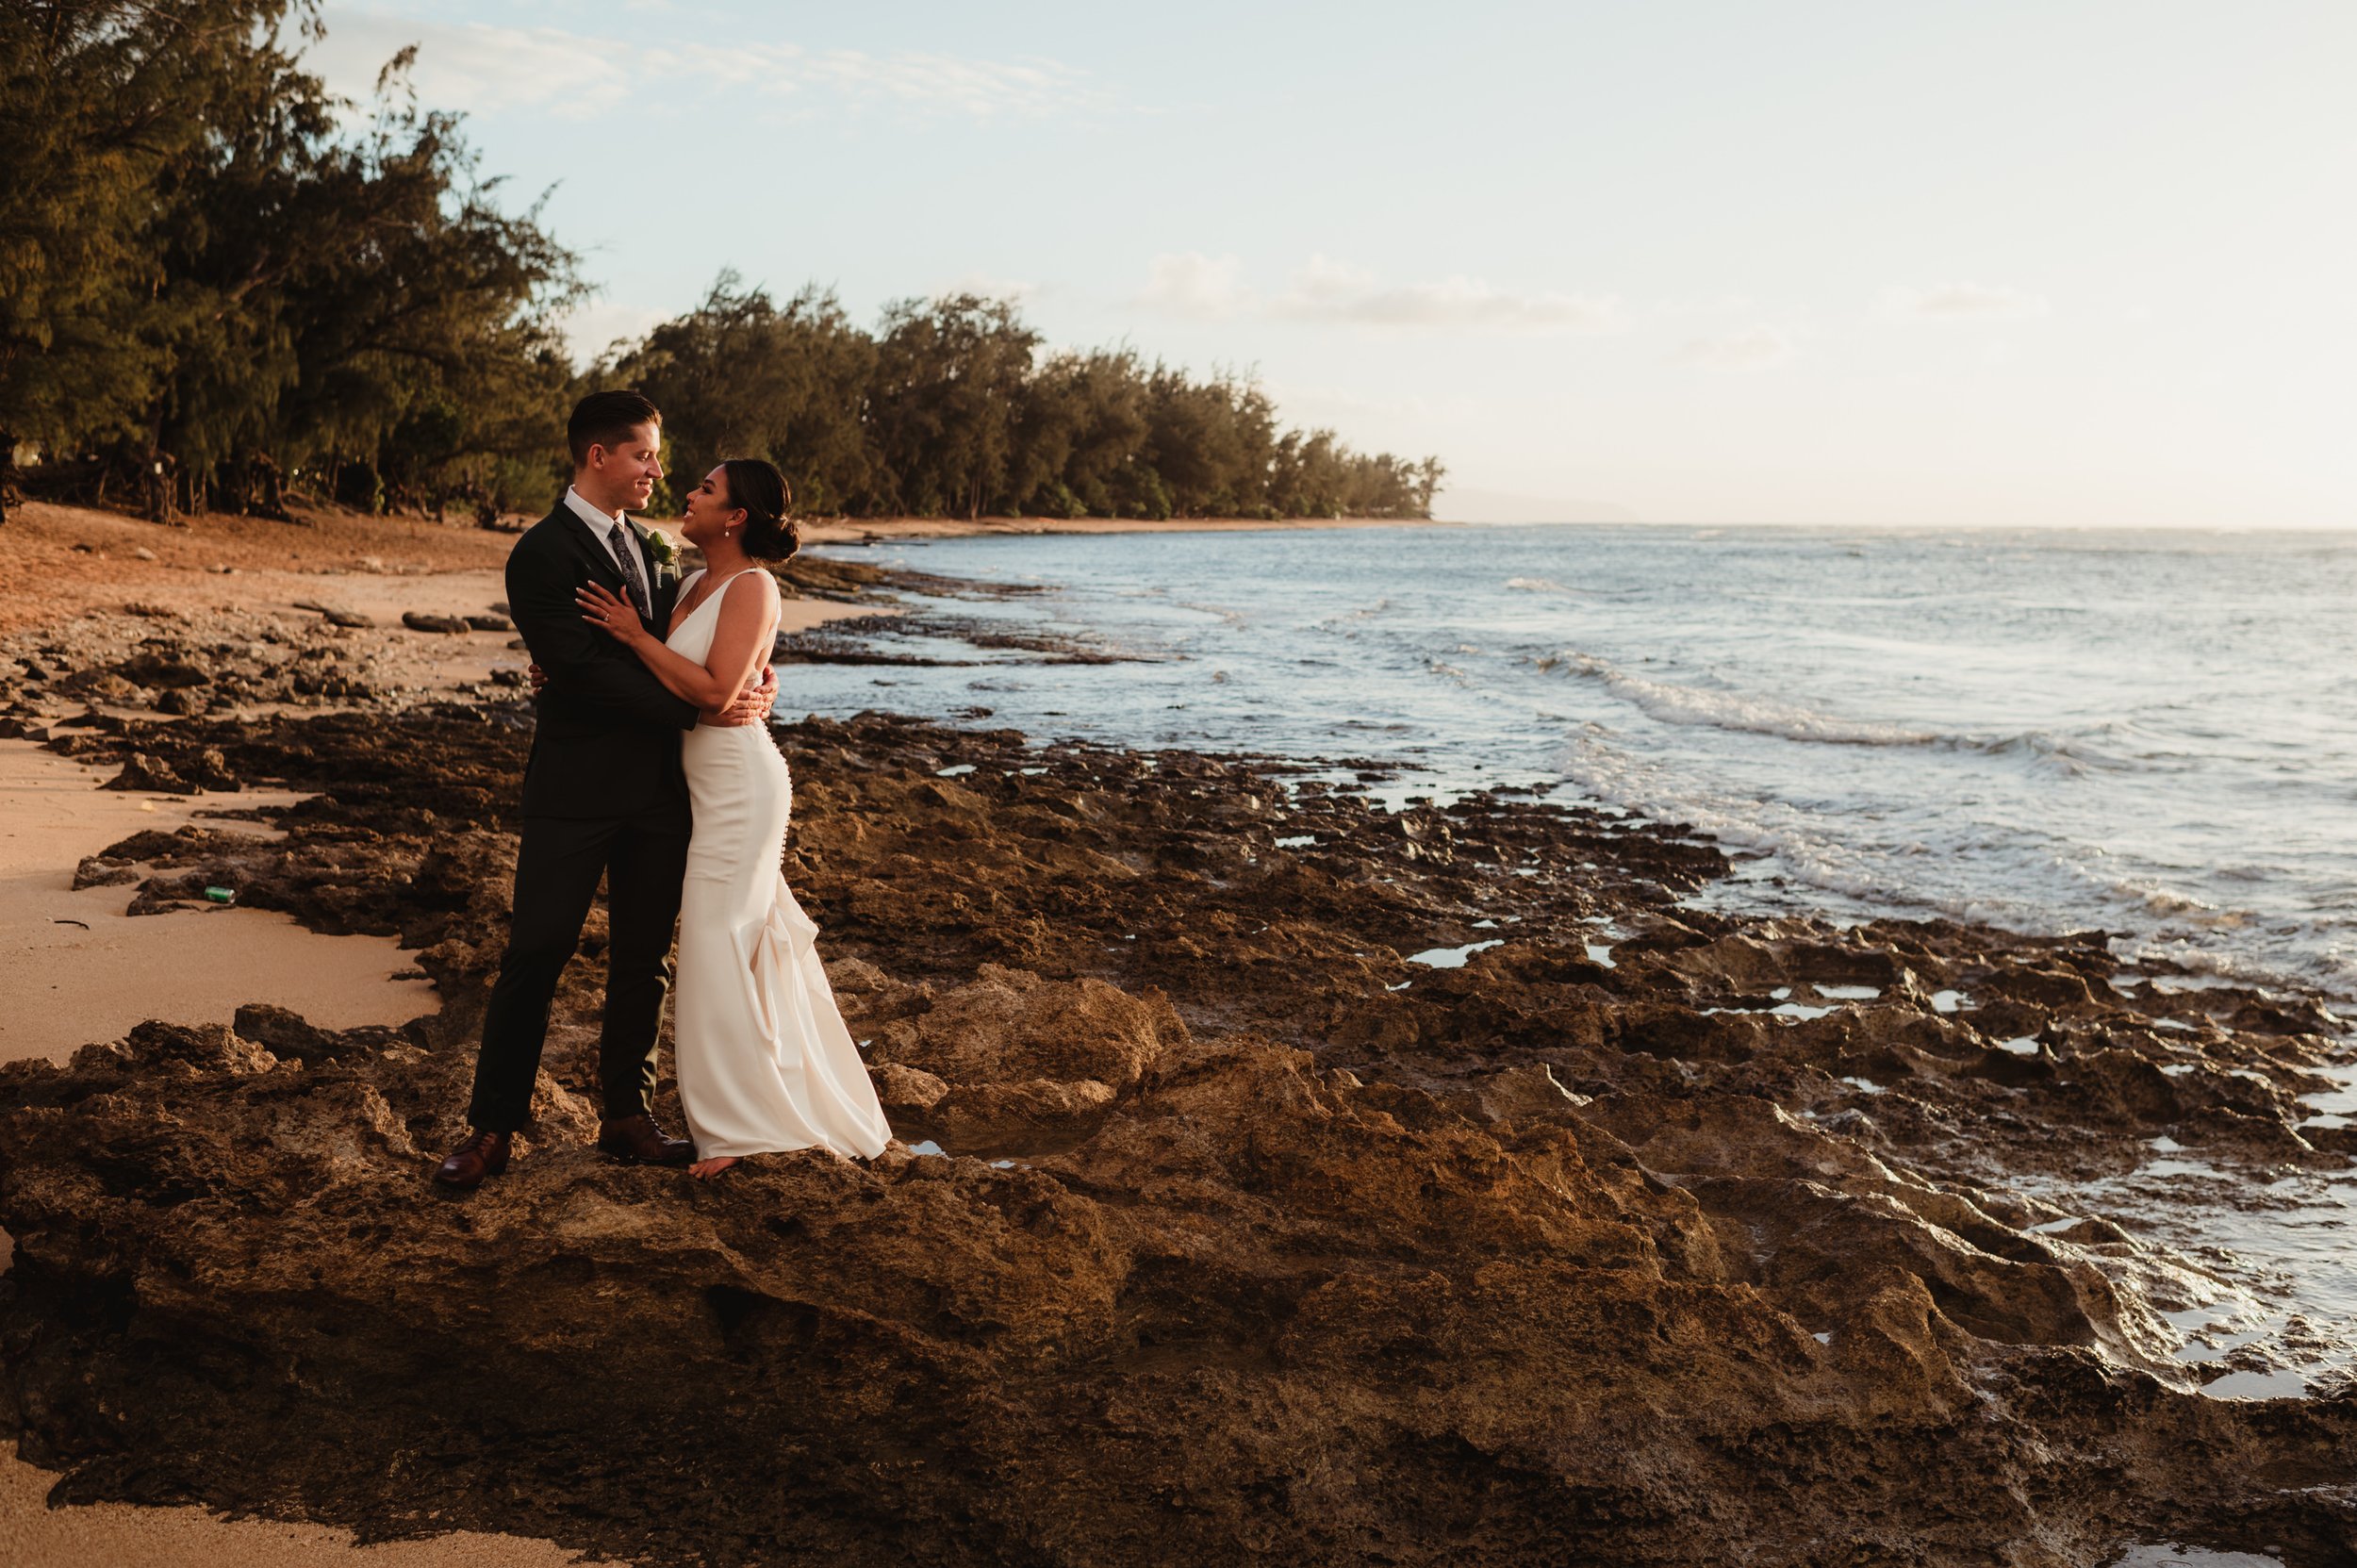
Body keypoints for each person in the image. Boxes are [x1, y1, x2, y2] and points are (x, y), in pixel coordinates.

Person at [436, 391, 778, 1190]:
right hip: (574, 786)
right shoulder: (540, 555)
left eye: (659, 459)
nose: (658, 471)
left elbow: (701, 646)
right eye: (645, 456)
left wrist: (751, 685)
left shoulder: (660, 555)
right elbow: (582, 674)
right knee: (537, 950)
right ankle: (491, 1128)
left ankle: (627, 1113)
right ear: (599, 457)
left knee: (644, 958)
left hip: (662, 790)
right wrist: (705, 704)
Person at [574, 456, 893, 1178]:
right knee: (735, 945)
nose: (687, 493)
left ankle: (742, 1133)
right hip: (699, 790)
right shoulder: (688, 583)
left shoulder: (755, 586)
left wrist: (634, 635)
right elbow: (682, 679)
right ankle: (765, 1113)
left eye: (706, 490)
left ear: (736, 516)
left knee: (721, 942)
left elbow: (717, 693)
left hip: (741, 789)